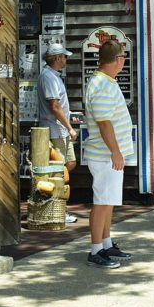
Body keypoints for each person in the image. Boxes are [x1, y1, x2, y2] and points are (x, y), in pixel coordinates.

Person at [83, 40, 135, 268]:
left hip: (109, 153)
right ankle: (95, 250)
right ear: (118, 60)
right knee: (102, 201)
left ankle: (105, 243)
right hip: (105, 154)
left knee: (108, 201)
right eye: (123, 57)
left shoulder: (104, 81)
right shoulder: (102, 85)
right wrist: (115, 151)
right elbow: (104, 123)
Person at [37, 43, 79, 224]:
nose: (65, 60)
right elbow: (54, 106)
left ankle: (54, 202)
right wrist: (69, 127)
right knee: (59, 169)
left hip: (59, 128)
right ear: (56, 58)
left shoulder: (53, 76)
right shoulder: (49, 77)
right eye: (64, 56)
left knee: (68, 164)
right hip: (56, 129)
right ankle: (56, 207)